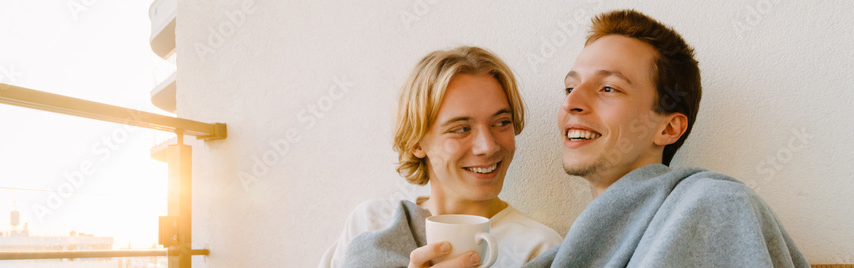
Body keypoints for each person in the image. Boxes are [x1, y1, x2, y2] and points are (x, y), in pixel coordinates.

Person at [412, 9, 809, 268]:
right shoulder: (563, 257)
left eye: (608, 89)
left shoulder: (713, 205)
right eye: (570, 89)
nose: (573, 104)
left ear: (668, 127)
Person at [319, 46, 562, 268]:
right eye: (461, 129)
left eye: (501, 123)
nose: (487, 147)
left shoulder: (539, 248)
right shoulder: (371, 224)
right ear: (416, 142)